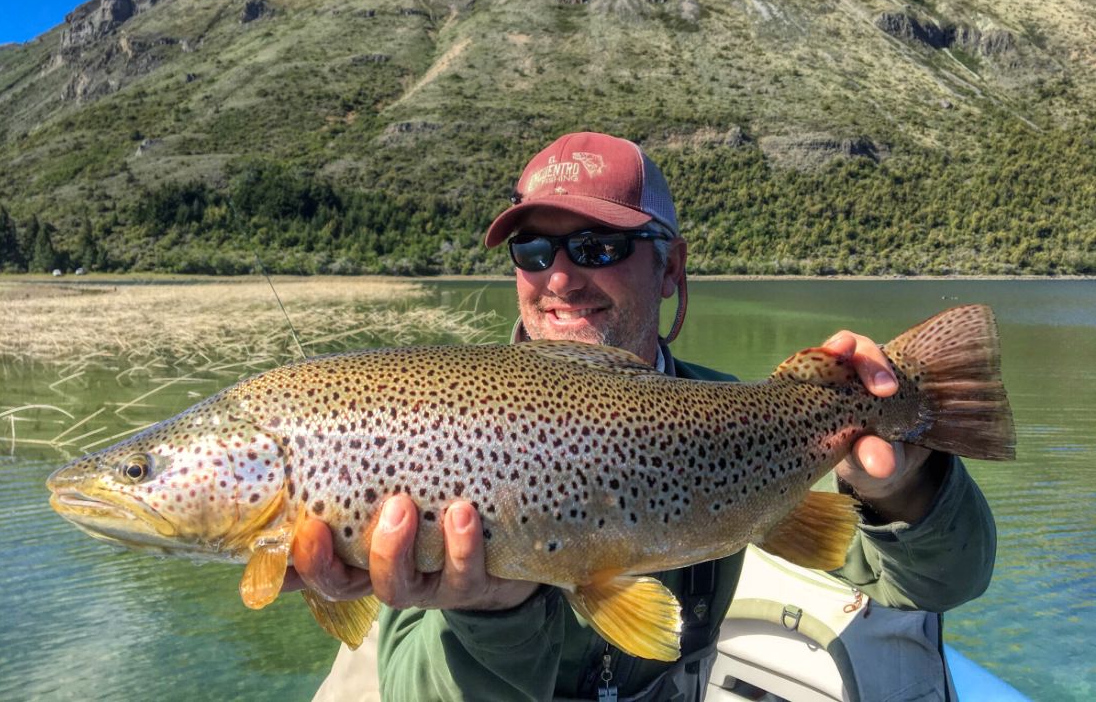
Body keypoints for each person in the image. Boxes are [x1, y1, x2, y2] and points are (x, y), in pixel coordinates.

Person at [289, 132, 997, 701]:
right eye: (533, 251)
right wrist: (491, 611)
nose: (559, 278)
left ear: (669, 270)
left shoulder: (740, 418)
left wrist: (901, 484)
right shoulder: (442, 429)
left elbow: (937, 585)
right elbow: (417, 688)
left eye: (600, 247)